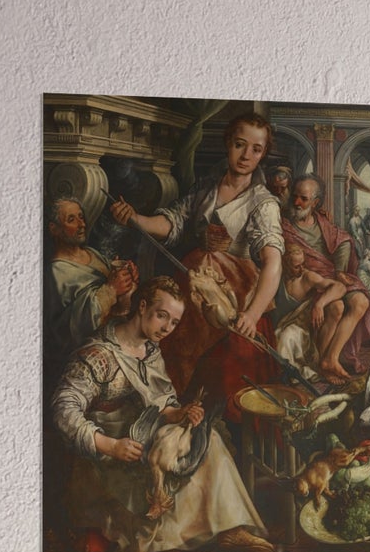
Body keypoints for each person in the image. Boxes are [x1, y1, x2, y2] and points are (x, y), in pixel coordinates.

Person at [51, 276, 273, 552]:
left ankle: (229, 528)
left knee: (207, 439)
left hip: (144, 434)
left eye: (174, 322)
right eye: (162, 316)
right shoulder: (99, 355)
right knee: (162, 470)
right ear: (142, 307)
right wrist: (111, 445)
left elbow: (161, 401)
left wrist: (179, 412)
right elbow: (63, 410)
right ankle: (167, 544)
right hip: (108, 453)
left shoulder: (150, 350)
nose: (167, 327)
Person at [110, 113, 283, 410]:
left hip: (235, 296)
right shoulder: (207, 188)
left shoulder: (263, 203)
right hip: (192, 285)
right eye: (239, 144)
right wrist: (135, 219)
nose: (246, 155)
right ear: (228, 143)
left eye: (256, 149)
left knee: (225, 369)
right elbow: (174, 222)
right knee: (173, 347)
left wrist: (252, 314)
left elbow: (273, 262)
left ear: (263, 153)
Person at [280, 175, 370, 379]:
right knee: (336, 307)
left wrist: (339, 270)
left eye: (304, 199)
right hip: (307, 282)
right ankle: (322, 362)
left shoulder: (322, 221)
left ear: (315, 203)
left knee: (361, 301)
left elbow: (343, 239)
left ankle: (331, 358)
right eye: (295, 197)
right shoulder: (285, 226)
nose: (297, 202)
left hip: (330, 276)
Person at [45, 197, 138, 361]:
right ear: (54, 229)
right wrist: (111, 289)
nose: (81, 224)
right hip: (91, 355)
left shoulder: (92, 253)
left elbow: (117, 297)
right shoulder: (56, 272)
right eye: (71, 219)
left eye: (81, 217)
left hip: (119, 338)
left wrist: (128, 278)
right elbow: (66, 331)